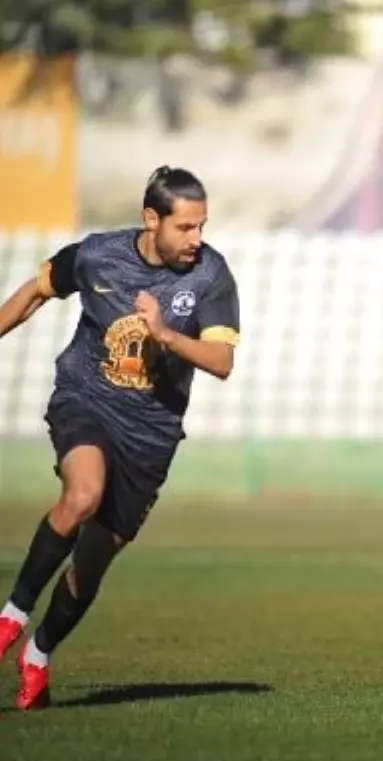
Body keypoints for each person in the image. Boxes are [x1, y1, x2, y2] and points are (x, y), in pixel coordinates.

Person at [0, 166, 240, 711]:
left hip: (151, 435)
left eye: (202, 226)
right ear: (151, 219)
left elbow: (222, 362)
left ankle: (37, 653)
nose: (196, 239)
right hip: (86, 399)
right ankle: (12, 615)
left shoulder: (211, 276)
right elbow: (36, 292)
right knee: (82, 494)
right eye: (186, 227)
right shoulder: (96, 256)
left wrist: (165, 335)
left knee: (90, 568)